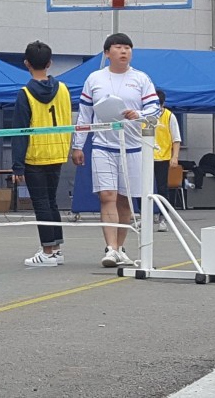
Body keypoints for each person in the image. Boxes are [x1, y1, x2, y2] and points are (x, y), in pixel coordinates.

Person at [70, 33, 160, 267]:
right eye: (118, 47)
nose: (123, 51)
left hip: (133, 148)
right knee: (107, 196)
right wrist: (78, 145)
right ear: (107, 53)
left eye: (127, 48)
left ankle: (120, 248)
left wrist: (138, 114)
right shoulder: (95, 78)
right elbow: (85, 114)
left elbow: (155, 109)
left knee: (125, 201)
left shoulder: (141, 79)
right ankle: (110, 249)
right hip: (102, 146)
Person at [11, 41, 71, 267]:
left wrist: (17, 165)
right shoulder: (63, 89)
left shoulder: (25, 94)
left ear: (26, 63)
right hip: (57, 151)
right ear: (50, 63)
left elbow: (20, 132)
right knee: (51, 201)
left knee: (41, 203)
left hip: (35, 155)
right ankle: (55, 249)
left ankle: (47, 251)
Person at [152, 89, 182, 232]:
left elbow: (176, 139)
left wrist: (174, 157)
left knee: (162, 188)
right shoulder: (143, 115)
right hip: (144, 157)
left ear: (162, 103)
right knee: (142, 189)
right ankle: (144, 216)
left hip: (163, 157)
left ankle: (163, 218)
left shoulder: (169, 116)